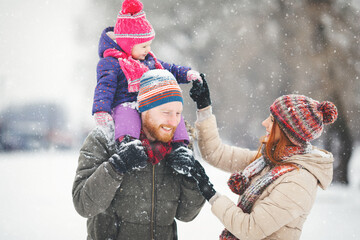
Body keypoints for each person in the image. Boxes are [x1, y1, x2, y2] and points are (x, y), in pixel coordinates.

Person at [185, 75, 338, 240]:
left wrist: (211, 194)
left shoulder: (299, 181)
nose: (264, 123)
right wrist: (204, 108)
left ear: (288, 133)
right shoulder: (267, 161)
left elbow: (249, 229)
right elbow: (215, 153)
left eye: (272, 120)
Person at [73, 69, 205, 240]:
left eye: (178, 113)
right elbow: (84, 205)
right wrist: (116, 166)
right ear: (145, 109)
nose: (173, 121)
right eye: (166, 113)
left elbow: (186, 215)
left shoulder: (180, 146)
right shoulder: (104, 139)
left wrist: (192, 177)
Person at [93, 0, 202, 144]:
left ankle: (180, 146)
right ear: (128, 45)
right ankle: (129, 144)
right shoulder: (111, 63)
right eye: (144, 46)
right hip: (126, 103)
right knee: (127, 114)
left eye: (149, 45)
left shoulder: (149, 61)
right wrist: (101, 110)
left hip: (151, 103)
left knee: (171, 112)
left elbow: (169, 70)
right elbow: (104, 87)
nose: (148, 50)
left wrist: (187, 73)